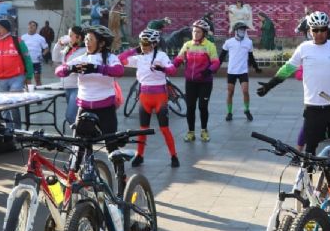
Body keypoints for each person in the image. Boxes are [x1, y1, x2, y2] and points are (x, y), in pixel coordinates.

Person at [256, 11, 330, 155]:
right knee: (310, 148)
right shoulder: (304, 48)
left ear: (327, 29)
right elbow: (287, 69)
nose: (319, 33)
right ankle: (309, 176)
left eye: (322, 29)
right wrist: (269, 86)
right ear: (310, 31)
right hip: (313, 107)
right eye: (315, 30)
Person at [55, 26, 124, 152]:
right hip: (84, 108)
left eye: (91, 39)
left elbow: (119, 71)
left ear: (102, 43)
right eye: (86, 39)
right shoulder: (81, 59)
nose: (87, 42)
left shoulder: (109, 58)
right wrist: (70, 69)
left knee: (111, 145)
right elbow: (58, 71)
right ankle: (75, 169)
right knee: (79, 146)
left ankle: (119, 171)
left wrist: (98, 68)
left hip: (106, 108)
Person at [119, 29, 180, 168]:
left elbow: (173, 70)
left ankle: (174, 156)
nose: (143, 46)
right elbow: (119, 60)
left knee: (164, 129)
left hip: (160, 96)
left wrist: (162, 69)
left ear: (154, 44)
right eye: (141, 43)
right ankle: (139, 156)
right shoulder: (139, 57)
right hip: (144, 96)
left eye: (146, 43)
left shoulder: (162, 55)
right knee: (142, 129)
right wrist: (133, 50)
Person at [172, 19, 220, 142]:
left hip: (205, 82)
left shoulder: (209, 46)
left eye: (198, 32)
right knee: (190, 107)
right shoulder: (187, 45)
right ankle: (190, 132)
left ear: (204, 33)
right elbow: (178, 59)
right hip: (190, 82)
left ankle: (204, 131)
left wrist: (208, 71)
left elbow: (216, 62)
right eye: (194, 31)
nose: (195, 34)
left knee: (203, 107)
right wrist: (168, 67)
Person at [0, 19, 34, 130]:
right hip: (0, 79)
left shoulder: (18, 41)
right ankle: (9, 129)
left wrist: (29, 77)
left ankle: (17, 128)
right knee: (4, 106)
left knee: (13, 103)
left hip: (17, 77)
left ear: (6, 29)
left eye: (0, 27)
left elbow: (27, 59)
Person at [220, 22, 261, 121]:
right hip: (231, 72)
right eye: (240, 29)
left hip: (243, 71)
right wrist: (215, 67)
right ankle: (229, 112)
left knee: (245, 91)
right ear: (236, 31)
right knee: (230, 93)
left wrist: (256, 67)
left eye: (244, 30)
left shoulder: (248, 42)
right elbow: (221, 56)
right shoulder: (229, 42)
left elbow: (251, 57)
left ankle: (247, 110)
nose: (242, 31)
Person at [52, 25, 87, 126]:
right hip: (67, 87)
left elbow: (83, 66)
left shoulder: (84, 50)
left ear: (79, 37)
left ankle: (84, 135)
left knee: (70, 116)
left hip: (77, 87)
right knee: (76, 116)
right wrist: (59, 44)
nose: (69, 37)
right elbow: (55, 58)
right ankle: (81, 136)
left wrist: (70, 69)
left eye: (71, 35)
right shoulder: (68, 49)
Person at [22, 20, 49, 86]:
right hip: (26, 62)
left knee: (37, 79)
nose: (31, 26)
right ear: (28, 26)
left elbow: (46, 49)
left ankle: (40, 93)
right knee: (27, 80)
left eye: (33, 25)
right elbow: (20, 49)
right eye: (30, 25)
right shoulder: (23, 37)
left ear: (36, 28)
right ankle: (28, 94)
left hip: (36, 62)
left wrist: (42, 55)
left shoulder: (40, 38)